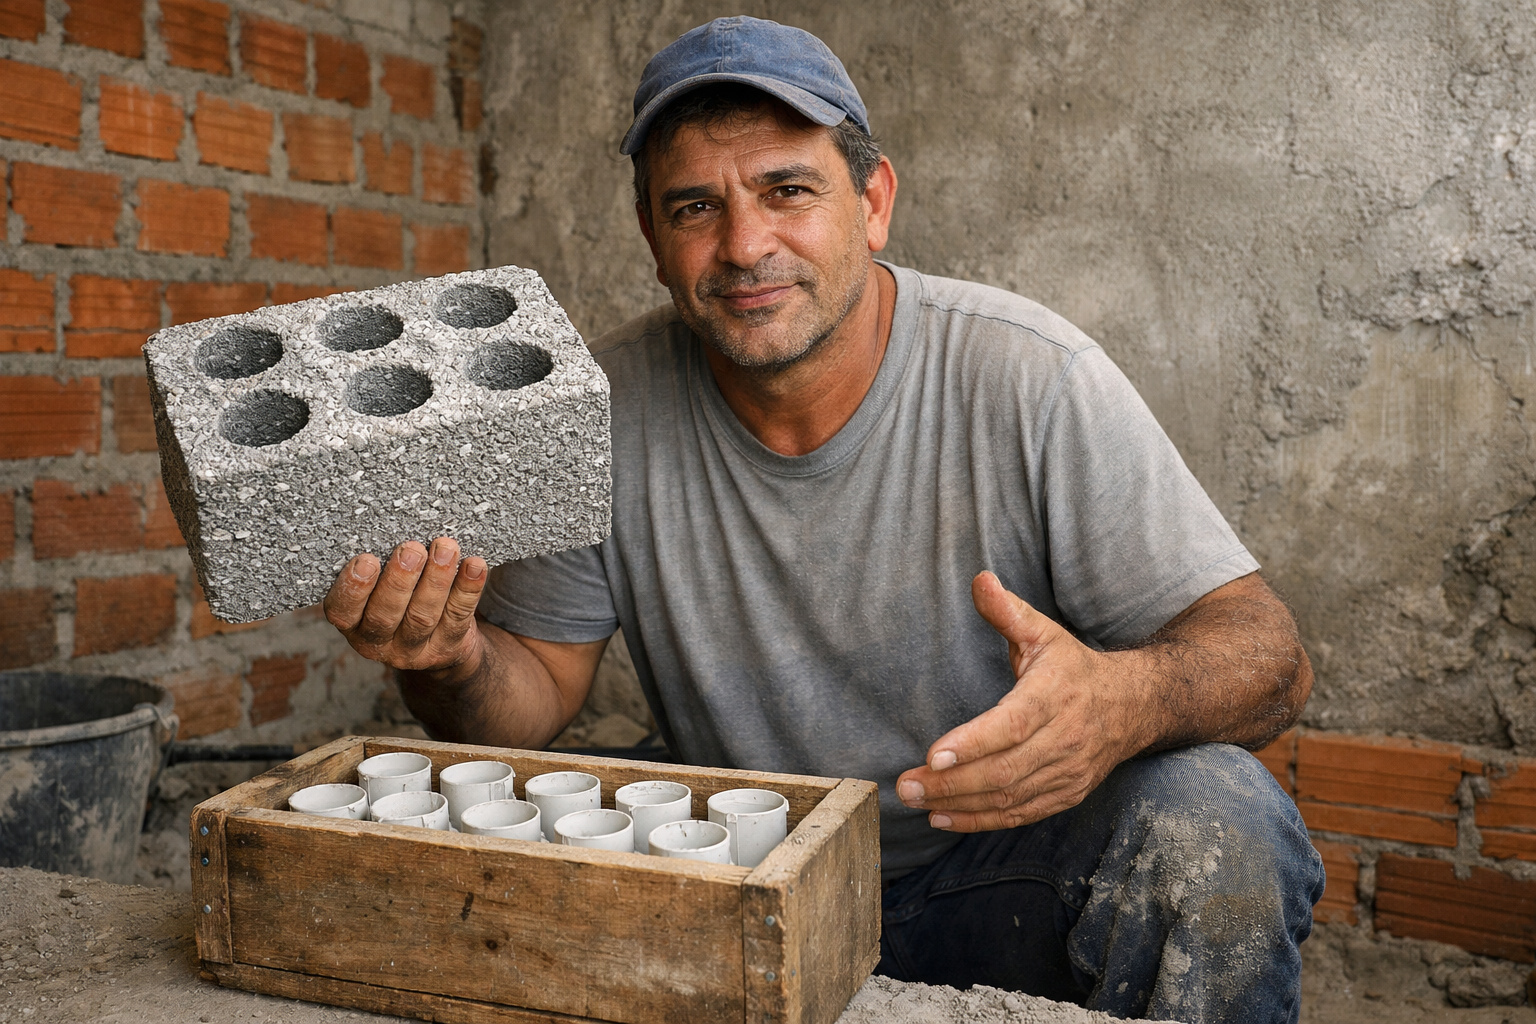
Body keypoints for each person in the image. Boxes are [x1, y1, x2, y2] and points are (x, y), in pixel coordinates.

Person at [322, 16, 1324, 1023]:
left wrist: (1119, 700)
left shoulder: (1029, 378)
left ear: (873, 201)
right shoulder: (598, 414)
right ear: (652, 237)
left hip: (992, 874)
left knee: (1221, 817)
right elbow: (532, 699)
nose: (745, 244)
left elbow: (1268, 654)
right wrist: (445, 658)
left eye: (788, 190)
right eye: (695, 206)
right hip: (742, 876)